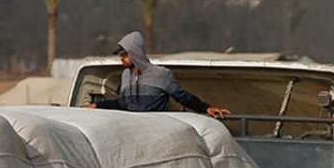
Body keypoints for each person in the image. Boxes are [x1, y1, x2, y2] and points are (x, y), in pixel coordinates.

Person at [84, 31, 229, 118]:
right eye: (119, 54)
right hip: (131, 131)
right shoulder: (125, 75)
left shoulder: (161, 74)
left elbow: (183, 97)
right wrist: (96, 105)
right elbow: (123, 104)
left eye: (124, 54)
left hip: (157, 129)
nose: (121, 57)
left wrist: (206, 108)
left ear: (135, 53)